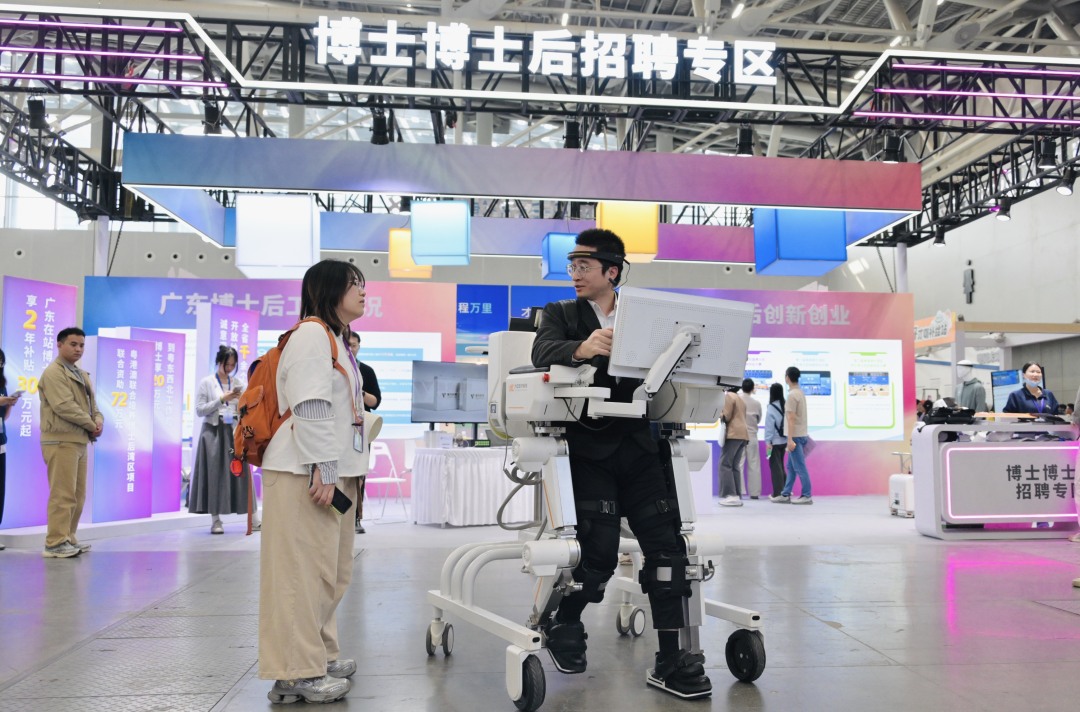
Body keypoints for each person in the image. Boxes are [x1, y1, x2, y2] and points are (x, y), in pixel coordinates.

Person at [530, 228, 712, 699]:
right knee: (598, 556)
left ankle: (671, 658)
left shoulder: (646, 314)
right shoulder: (561, 313)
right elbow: (541, 351)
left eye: (583, 266)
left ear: (612, 271)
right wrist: (581, 348)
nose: (574, 274)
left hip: (641, 448)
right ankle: (565, 620)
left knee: (668, 553)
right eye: (572, 266)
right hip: (588, 449)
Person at [258, 258, 368, 705]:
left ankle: (317, 654)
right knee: (299, 575)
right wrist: (323, 466)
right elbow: (311, 404)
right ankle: (294, 672)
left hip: (332, 472)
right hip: (303, 472)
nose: (363, 291)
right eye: (354, 284)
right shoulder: (311, 334)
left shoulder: (336, 339)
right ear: (329, 290)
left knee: (330, 573)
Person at [39, 327, 103, 558]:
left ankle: (68, 538)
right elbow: (64, 406)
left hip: (79, 440)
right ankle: (55, 542)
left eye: (81, 345)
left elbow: (93, 406)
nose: (78, 349)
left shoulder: (81, 373)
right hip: (60, 440)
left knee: (77, 494)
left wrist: (98, 420)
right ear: (60, 345)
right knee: (63, 494)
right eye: (73, 344)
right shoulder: (53, 373)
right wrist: (91, 423)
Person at [188, 345, 258, 534]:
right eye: (227, 365)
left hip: (234, 432)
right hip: (213, 432)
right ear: (219, 362)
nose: (229, 369)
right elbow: (200, 410)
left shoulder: (238, 383)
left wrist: (242, 403)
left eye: (233, 365)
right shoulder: (207, 383)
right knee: (214, 475)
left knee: (243, 473)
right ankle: (216, 520)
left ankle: (254, 519)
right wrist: (221, 399)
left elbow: (247, 409)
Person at [346, 332, 381, 535]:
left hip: (359, 429)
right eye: (347, 344)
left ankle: (356, 517)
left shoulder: (366, 370)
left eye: (354, 345)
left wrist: (360, 391)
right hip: (337, 427)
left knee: (358, 472)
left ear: (359, 346)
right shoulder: (334, 368)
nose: (351, 349)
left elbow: (375, 402)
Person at [775, 366, 812, 504]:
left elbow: (791, 418)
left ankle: (806, 495)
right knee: (791, 467)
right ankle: (785, 494)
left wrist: (789, 439)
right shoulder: (800, 393)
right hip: (801, 434)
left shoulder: (791, 395)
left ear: (787, 378)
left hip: (795, 436)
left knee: (800, 467)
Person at [0, 347, 21, 551]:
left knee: (0, 489)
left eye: (1, 361)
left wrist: (9, 404)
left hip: (1, 442)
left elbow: (4, 417)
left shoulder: (2, 385)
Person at [718, 387, 748, 507]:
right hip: (743, 434)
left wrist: (718, 414)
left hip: (733, 433)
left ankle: (730, 495)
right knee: (735, 466)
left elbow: (726, 415)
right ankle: (736, 495)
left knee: (725, 464)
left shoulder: (729, 396)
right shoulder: (740, 399)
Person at [737, 378, 763, 499]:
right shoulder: (756, 403)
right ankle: (754, 493)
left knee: (739, 464)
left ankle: (739, 491)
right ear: (753, 389)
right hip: (752, 436)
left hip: (739, 435)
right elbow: (759, 419)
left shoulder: (737, 400)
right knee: (754, 464)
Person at [764, 383, 787, 500]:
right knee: (781, 466)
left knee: (775, 468)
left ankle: (778, 493)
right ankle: (786, 491)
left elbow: (769, 427)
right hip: (785, 441)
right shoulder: (786, 405)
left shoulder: (771, 407)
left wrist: (768, 442)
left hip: (775, 442)